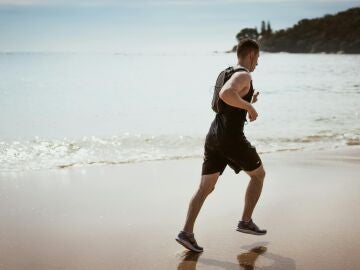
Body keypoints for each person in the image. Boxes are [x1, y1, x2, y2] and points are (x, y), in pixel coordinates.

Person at [175, 39, 266, 253]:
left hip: (214, 136)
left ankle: (186, 233)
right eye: (258, 59)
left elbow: (223, 101)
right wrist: (249, 108)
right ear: (251, 55)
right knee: (259, 175)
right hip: (231, 139)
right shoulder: (244, 74)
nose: (258, 64)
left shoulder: (226, 72)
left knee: (206, 187)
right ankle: (246, 221)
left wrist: (247, 99)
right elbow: (226, 94)